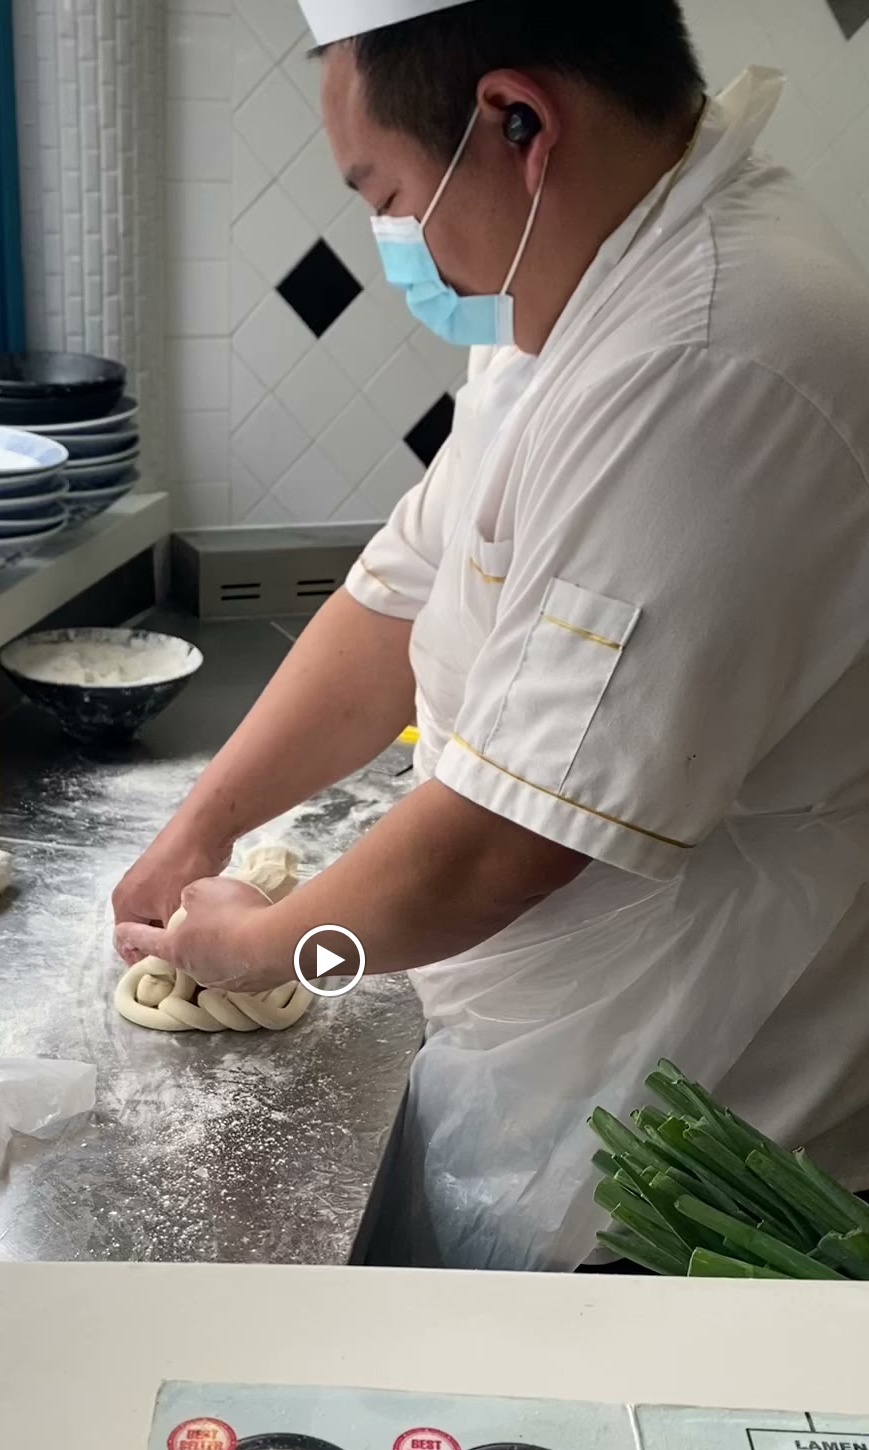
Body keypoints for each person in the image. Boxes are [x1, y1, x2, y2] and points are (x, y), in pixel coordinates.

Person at [114, 0, 869, 1272]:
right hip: (562, 1068)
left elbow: (499, 853)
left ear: (518, 123)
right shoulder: (569, 298)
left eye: (390, 194)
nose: (395, 242)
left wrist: (265, 949)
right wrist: (205, 822)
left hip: (695, 1143)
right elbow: (396, 596)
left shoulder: (705, 359)